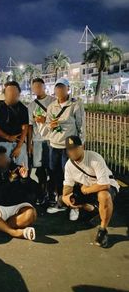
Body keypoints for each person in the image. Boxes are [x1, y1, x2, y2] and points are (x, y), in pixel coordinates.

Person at [62, 136, 120, 248]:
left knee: (104, 196)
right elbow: (67, 189)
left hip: (103, 186)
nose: (72, 152)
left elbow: (104, 184)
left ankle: (103, 230)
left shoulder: (94, 158)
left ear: (82, 147)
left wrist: (86, 190)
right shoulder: (69, 165)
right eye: (69, 149)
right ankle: (92, 209)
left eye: (75, 148)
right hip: (87, 189)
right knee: (70, 200)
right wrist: (67, 199)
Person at [41, 78, 85, 216]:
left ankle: (74, 206)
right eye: (57, 88)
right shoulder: (51, 106)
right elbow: (46, 127)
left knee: (71, 176)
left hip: (69, 148)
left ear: (68, 89)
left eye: (62, 87)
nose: (59, 90)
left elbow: (81, 125)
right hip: (54, 146)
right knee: (55, 175)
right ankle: (61, 201)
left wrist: (81, 144)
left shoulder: (75, 104)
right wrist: (50, 125)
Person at [0, 146, 37, 240]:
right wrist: (9, 180)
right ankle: (14, 232)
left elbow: (34, 189)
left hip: (17, 206)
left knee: (31, 215)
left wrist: (25, 179)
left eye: (4, 157)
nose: (4, 160)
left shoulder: (18, 169)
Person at [27, 78, 54, 205]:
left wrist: (46, 120)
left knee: (52, 168)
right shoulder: (31, 106)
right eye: (34, 87)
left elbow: (59, 120)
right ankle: (42, 193)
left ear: (44, 87)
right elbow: (30, 126)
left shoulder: (53, 101)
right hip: (38, 141)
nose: (37, 89)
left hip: (52, 140)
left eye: (39, 86)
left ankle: (52, 194)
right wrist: (30, 143)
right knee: (40, 169)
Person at [0, 81, 29, 167]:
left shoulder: (23, 108)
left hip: (19, 142)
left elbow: (25, 127)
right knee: (2, 168)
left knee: (22, 168)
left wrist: (19, 147)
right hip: (2, 143)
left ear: (19, 93)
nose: (12, 94)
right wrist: (8, 137)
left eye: (15, 92)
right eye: (9, 92)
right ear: (5, 94)